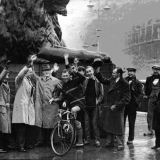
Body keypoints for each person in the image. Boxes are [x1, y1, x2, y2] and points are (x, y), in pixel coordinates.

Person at [95, 67, 130, 151]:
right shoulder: (112, 80)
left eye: (114, 73)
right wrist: (98, 72)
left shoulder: (125, 84)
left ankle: (120, 144)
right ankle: (109, 143)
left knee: (118, 126)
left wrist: (117, 105)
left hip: (118, 108)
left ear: (119, 74)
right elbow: (103, 80)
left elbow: (126, 98)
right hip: (110, 106)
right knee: (109, 125)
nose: (112, 74)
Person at [34, 62, 62, 147]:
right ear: (42, 71)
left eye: (48, 70)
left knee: (52, 124)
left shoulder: (56, 80)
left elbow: (63, 92)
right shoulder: (39, 80)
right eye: (44, 70)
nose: (46, 71)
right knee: (43, 124)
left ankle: (52, 141)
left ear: (50, 71)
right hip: (43, 106)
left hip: (52, 106)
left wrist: (57, 99)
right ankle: (44, 141)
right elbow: (32, 73)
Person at [12, 59, 36, 152]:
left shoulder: (30, 82)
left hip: (28, 107)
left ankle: (25, 144)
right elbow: (20, 75)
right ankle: (20, 146)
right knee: (21, 128)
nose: (30, 73)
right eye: (29, 72)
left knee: (26, 127)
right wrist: (27, 66)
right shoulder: (20, 80)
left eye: (30, 72)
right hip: (21, 106)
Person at [83, 66, 104, 147]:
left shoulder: (98, 81)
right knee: (86, 124)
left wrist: (97, 101)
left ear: (93, 71)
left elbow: (102, 94)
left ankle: (97, 140)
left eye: (90, 71)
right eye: (87, 72)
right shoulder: (85, 81)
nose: (88, 73)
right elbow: (83, 92)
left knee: (95, 124)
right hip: (86, 105)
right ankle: (87, 139)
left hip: (94, 106)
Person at [124, 67, 144, 144]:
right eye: (129, 71)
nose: (130, 73)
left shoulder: (138, 82)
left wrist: (137, 102)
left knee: (131, 122)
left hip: (132, 104)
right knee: (122, 121)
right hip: (124, 103)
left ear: (135, 73)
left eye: (132, 72)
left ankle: (130, 139)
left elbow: (141, 93)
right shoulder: (124, 80)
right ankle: (120, 135)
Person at [144, 65, 160, 136]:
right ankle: (150, 130)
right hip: (151, 98)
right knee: (150, 115)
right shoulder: (149, 78)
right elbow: (146, 87)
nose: (155, 71)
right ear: (152, 70)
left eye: (157, 69)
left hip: (159, 99)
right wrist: (146, 94)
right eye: (154, 69)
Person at [0, 61, 11, 153]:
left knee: (5, 128)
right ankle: (1, 147)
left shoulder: (6, 83)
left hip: (5, 107)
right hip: (1, 107)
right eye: (6, 73)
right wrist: (5, 69)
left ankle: (5, 145)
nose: (8, 74)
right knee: (2, 128)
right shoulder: (0, 82)